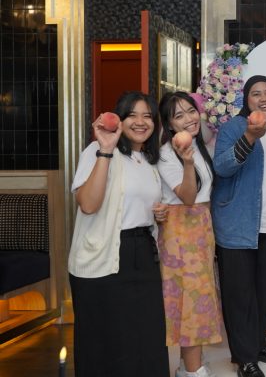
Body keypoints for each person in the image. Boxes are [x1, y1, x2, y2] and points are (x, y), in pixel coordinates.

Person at [68, 91, 169, 376]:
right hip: (104, 256)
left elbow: (133, 206)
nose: (141, 122)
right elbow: (88, 204)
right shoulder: (96, 151)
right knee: (106, 341)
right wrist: (106, 150)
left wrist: (156, 215)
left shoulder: (148, 160)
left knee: (146, 337)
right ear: (120, 120)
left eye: (147, 116)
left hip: (143, 255)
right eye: (132, 115)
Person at [211, 75, 266, 377]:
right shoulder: (233, 128)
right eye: (256, 94)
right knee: (239, 296)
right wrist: (249, 136)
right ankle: (244, 358)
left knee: (264, 292)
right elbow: (222, 167)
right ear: (246, 101)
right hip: (237, 227)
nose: (263, 98)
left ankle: (257, 345)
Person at [157, 91, 224, 377]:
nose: (188, 119)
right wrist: (186, 162)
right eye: (179, 115)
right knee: (191, 301)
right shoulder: (166, 154)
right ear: (169, 124)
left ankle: (188, 366)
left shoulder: (198, 145)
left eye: (191, 111)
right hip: (181, 231)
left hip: (200, 229)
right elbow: (187, 197)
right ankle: (194, 371)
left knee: (198, 297)